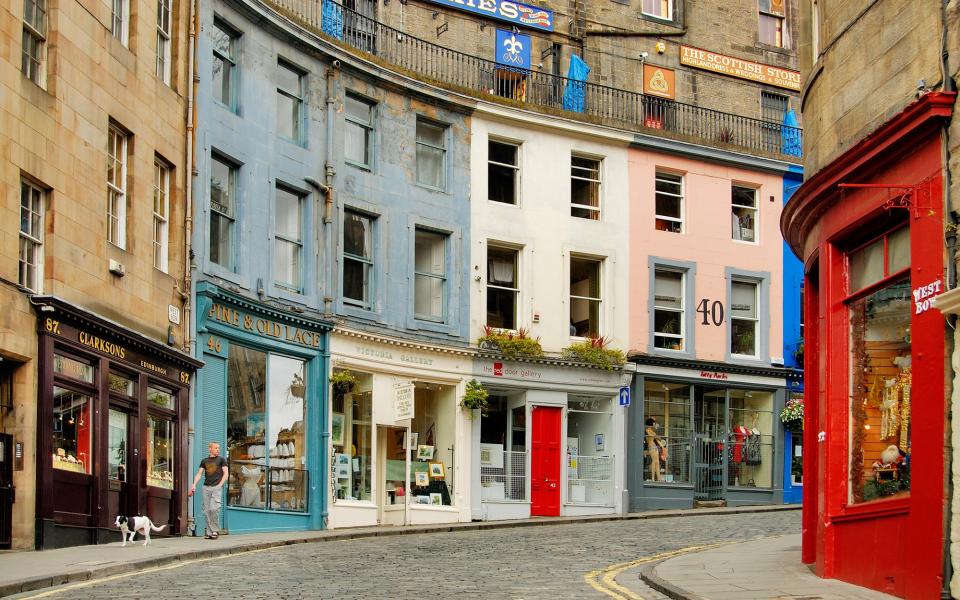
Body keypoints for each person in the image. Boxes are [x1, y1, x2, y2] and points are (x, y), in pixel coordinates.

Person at [189, 441, 228, 539]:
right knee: (206, 510)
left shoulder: (221, 460)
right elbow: (199, 474)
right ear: (210, 449)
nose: (218, 450)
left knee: (214, 509)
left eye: (218, 448)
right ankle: (210, 532)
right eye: (215, 448)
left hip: (216, 487)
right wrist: (194, 485)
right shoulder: (204, 461)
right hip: (206, 487)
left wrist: (220, 485)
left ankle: (215, 530)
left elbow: (226, 473)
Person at [645, 417, 664, 482]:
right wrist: (656, 436)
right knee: (654, 461)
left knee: (657, 462)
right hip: (651, 447)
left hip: (655, 447)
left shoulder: (652, 431)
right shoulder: (647, 430)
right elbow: (654, 437)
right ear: (651, 423)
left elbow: (658, 439)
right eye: (653, 422)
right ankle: (653, 478)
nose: (654, 424)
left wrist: (662, 446)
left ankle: (658, 478)